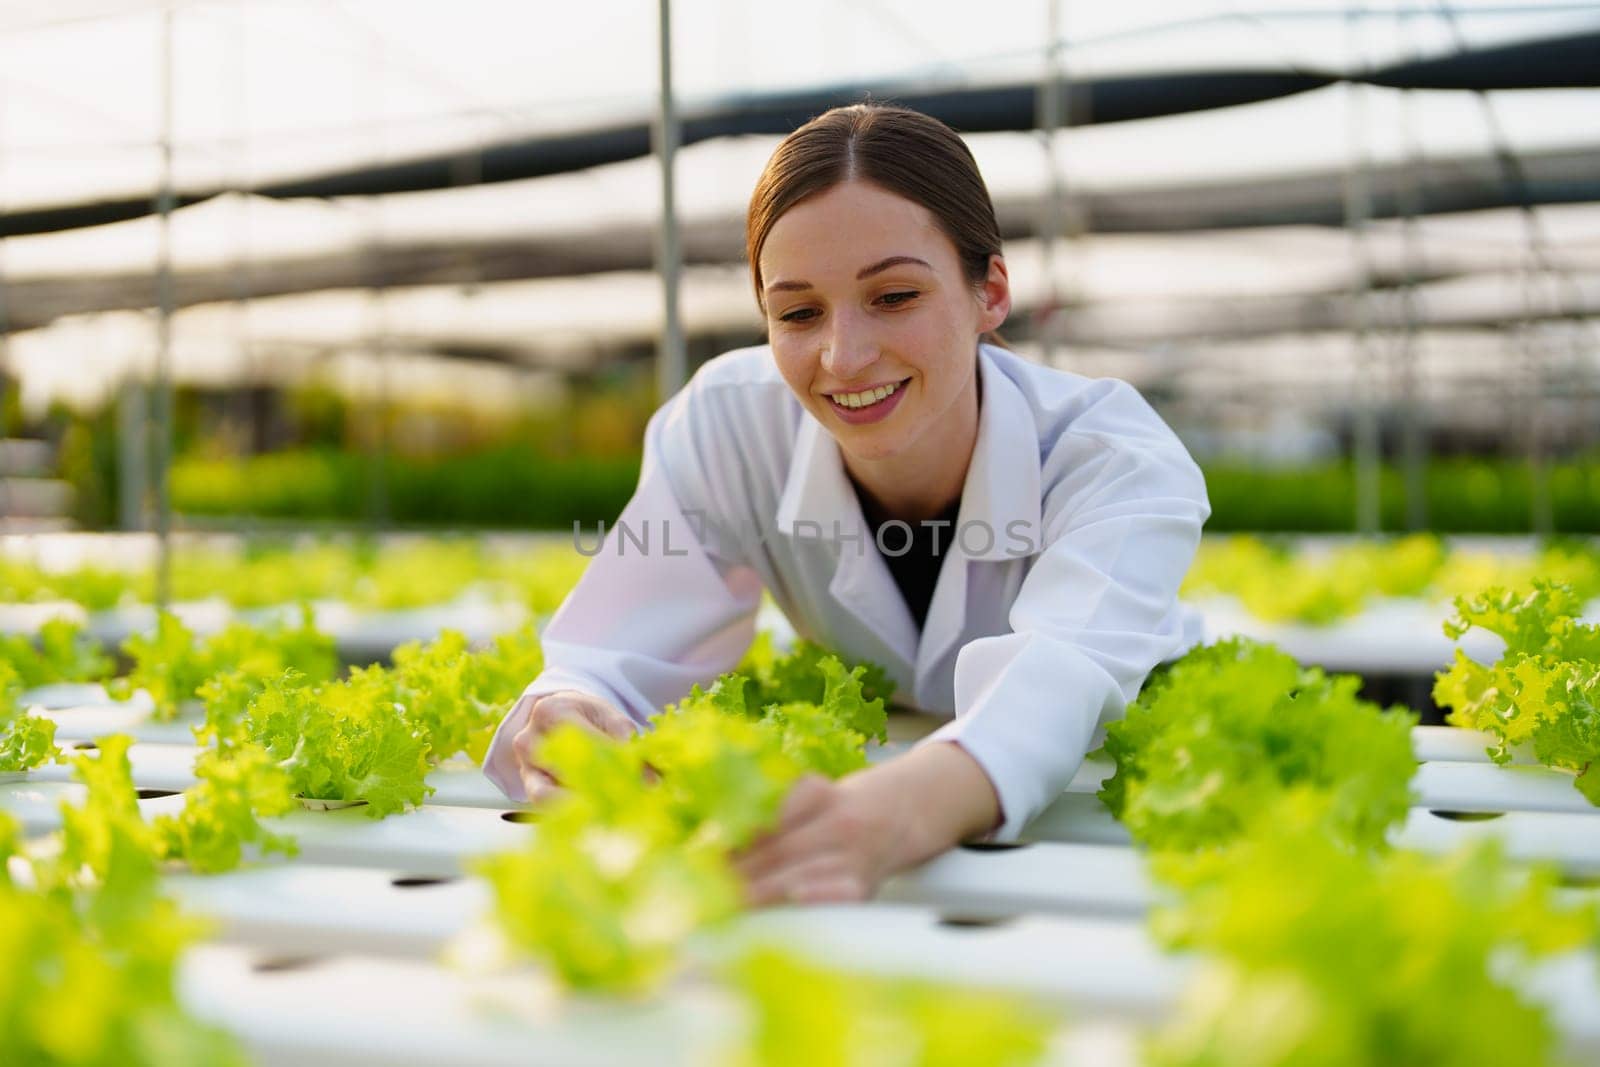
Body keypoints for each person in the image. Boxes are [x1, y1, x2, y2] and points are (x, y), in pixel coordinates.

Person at [483, 103, 1208, 905]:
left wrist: (886, 816)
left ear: (990, 291)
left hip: (1107, 796)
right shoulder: (729, 423)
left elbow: (1059, 683)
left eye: (894, 296)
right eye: (798, 312)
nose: (844, 355)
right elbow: (609, 655)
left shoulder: (1108, 454)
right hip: (880, 767)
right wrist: (569, 716)